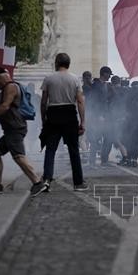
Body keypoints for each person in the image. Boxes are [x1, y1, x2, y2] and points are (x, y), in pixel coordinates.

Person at [0, 66, 47, 196]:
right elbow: (4, 109)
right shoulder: (8, 88)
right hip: (11, 129)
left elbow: (5, 107)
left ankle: (37, 182)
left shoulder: (10, 87)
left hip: (15, 128)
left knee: (19, 157)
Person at [40, 53, 88, 191]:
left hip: (53, 114)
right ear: (69, 63)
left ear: (56, 63)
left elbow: (44, 102)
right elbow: (80, 101)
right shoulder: (74, 79)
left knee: (50, 149)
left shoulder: (48, 79)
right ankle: (78, 183)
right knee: (74, 150)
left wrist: (43, 120)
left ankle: (47, 179)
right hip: (69, 114)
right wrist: (83, 121)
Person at [90, 66, 112, 166]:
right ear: (104, 74)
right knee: (95, 140)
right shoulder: (95, 85)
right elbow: (94, 102)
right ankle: (92, 162)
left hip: (105, 115)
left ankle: (104, 160)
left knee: (108, 138)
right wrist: (98, 115)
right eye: (109, 75)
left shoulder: (106, 85)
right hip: (97, 116)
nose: (109, 77)